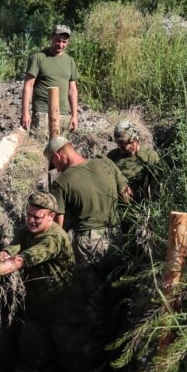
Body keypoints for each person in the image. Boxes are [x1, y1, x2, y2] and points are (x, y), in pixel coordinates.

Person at [0, 192, 97, 372]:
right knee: (27, 359)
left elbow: (19, 261)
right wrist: (1, 254)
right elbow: (13, 249)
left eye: (37, 217)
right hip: (37, 313)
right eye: (29, 215)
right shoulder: (27, 231)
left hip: (65, 315)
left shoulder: (54, 239)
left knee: (79, 362)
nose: (31, 220)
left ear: (51, 217)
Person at [45, 136, 130, 345]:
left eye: (53, 164)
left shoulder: (61, 182)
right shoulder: (106, 163)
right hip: (116, 237)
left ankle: (96, 349)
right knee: (117, 290)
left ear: (58, 156)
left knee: (93, 300)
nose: (55, 169)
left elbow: (59, 227)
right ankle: (120, 339)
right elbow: (128, 196)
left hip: (88, 244)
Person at [20, 25, 79, 136]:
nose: (60, 45)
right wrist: (25, 113)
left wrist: (74, 116)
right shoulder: (38, 58)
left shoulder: (70, 61)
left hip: (62, 114)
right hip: (42, 113)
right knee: (39, 148)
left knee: (60, 150)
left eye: (64, 42)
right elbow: (28, 86)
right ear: (52, 37)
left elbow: (72, 90)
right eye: (57, 40)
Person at [106, 120, 160, 201]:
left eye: (122, 142)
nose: (119, 145)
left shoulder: (150, 156)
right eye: (117, 141)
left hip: (139, 206)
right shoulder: (112, 156)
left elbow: (156, 187)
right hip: (117, 204)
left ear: (134, 139)